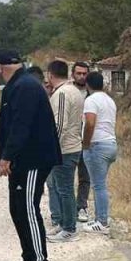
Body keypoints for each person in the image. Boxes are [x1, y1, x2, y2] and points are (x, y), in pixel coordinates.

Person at [0, 50, 62, 261]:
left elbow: (21, 126)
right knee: (17, 208)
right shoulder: (17, 85)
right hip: (21, 161)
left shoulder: (25, 87)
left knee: (28, 208)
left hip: (33, 159)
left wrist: (6, 157)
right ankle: (29, 258)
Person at [44, 60, 86, 243]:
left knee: (65, 189)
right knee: (63, 188)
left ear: (50, 74)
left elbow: (60, 124)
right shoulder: (75, 91)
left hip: (64, 149)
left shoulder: (62, 93)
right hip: (72, 146)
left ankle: (69, 229)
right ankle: (63, 224)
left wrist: (51, 148)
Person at [81, 71, 118, 233]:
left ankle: (102, 221)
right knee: (100, 183)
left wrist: (86, 143)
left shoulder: (91, 100)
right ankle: (100, 218)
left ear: (88, 85)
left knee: (98, 185)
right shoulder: (110, 101)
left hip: (97, 145)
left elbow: (90, 123)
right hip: (111, 143)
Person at [71, 61, 92, 223]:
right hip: (70, 140)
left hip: (87, 140)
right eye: (79, 73)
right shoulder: (67, 91)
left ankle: (81, 206)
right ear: (73, 74)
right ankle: (67, 208)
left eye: (84, 74)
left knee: (85, 176)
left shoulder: (93, 94)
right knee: (66, 177)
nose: (81, 76)